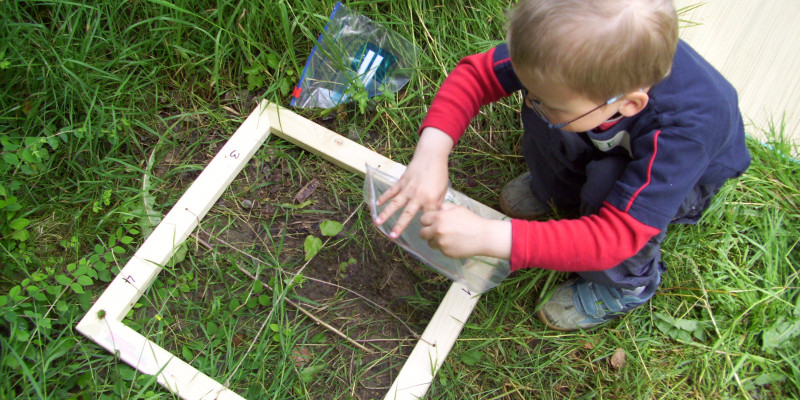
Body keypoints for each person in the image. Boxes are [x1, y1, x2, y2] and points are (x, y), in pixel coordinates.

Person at [373, 0, 750, 331]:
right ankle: (554, 186)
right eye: (530, 91)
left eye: (547, 99)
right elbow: (477, 74)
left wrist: (492, 238)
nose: (530, 99)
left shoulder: (687, 129)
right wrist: (431, 154)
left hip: (685, 179)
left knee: (605, 189)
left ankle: (629, 285)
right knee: (550, 122)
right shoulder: (568, 52)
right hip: (596, 126)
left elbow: (617, 235)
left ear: (628, 103)